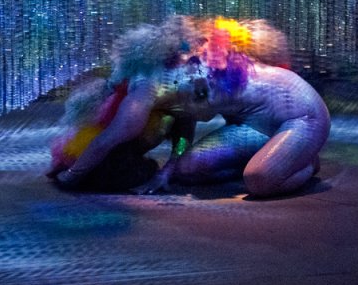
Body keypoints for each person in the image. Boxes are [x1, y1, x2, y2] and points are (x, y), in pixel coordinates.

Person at [47, 16, 330, 197]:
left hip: (300, 113)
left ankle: (304, 162)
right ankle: (281, 155)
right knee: (187, 170)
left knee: (258, 182)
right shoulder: (159, 78)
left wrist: (72, 176)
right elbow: (185, 117)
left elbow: (107, 140)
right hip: (251, 124)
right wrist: (169, 168)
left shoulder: (144, 87)